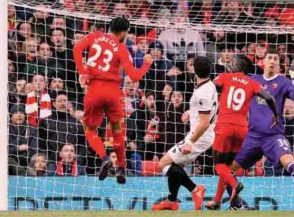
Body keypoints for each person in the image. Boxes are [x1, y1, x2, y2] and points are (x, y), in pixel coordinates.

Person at [230, 49, 294, 211]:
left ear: (279, 64)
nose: (271, 61)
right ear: (263, 61)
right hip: (253, 136)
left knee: (291, 164)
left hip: (273, 136)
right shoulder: (252, 80)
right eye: (269, 58)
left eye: (275, 59)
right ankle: (236, 204)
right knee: (229, 170)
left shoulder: (284, 82)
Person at [73, 16, 153, 184]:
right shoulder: (122, 48)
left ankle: (104, 158)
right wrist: (146, 64)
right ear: (123, 33)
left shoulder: (94, 36)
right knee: (117, 131)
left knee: (89, 129)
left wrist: (82, 72)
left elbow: (77, 48)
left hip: (94, 90)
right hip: (113, 93)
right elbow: (134, 75)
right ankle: (122, 167)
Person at [205, 58, 278, 210]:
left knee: (218, 165)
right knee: (227, 167)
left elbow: (211, 87)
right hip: (242, 128)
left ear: (236, 66)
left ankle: (235, 184)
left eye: (232, 63)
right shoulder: (252, 83)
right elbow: (269, 98)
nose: (230, 65)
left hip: (224, 125)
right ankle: (217, 200)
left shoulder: (225, 76)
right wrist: (275, 115)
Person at [151, 57, 217, 211]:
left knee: (163, 163)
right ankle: (171, 200)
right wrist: (191, 111)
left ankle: (195, 189)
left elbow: (204, 122)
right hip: (202, 134)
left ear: (194, 70)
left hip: (199, 137)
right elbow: (207, 111)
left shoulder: (203, 92)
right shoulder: (209, 85)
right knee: (173, 165)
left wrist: (191, 142)